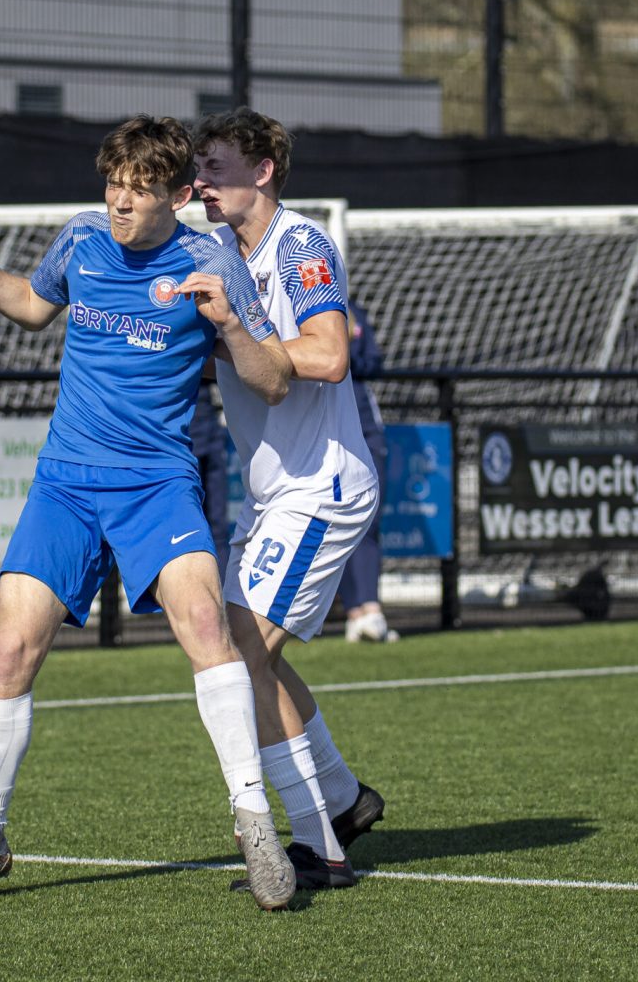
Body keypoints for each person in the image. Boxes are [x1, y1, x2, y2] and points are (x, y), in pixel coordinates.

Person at [0, 115, 301, 910]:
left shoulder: (212, 261)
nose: (119, 203)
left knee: (207, 628)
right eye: (112, 186)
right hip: (65, 482)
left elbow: (274, 381)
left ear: (176, 195)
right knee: (10, 651)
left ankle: (256, 825)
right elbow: (32, 306)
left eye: (138, 190)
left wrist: (232, 324)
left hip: (155, 483)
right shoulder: (82, 239)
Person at [191, 108, 386, 892]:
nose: (202, 183)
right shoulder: (221, 251)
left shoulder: (299, 244)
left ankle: (319, 845)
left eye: (216, 168)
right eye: (198, 169)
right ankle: (341, 798)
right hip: (273, 492)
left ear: (264, 170)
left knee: (241, 654)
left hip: (321, 486)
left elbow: (331, 355)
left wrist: (243, 339)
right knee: (250, 653)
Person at [338, 296, 398, 644]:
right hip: (326, 426)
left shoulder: (353, 309)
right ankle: (353, 611)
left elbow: (373, 361)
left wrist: (345, 347)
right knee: (336, 521)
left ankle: (371, 608)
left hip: (364, 425)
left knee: (369, 518)